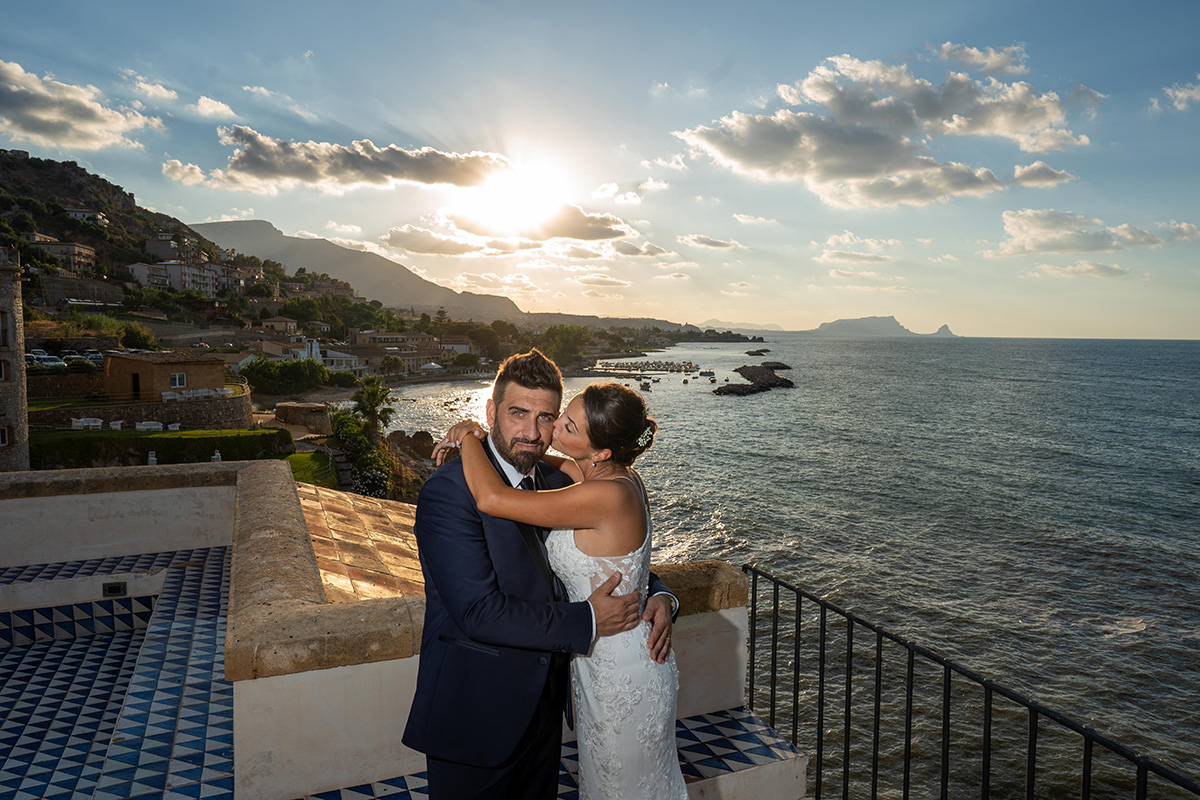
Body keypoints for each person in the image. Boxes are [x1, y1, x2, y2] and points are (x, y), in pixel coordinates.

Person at [402, 350, 678, 800]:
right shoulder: (448, 492)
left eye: (547, 417)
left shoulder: (558, 481)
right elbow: (478, 611)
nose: (532, 432)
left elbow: (616, 554)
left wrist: (662, 596)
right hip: (477, 714)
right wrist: (588, 621)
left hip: (547, 710)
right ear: (489, 412)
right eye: (518, 413)